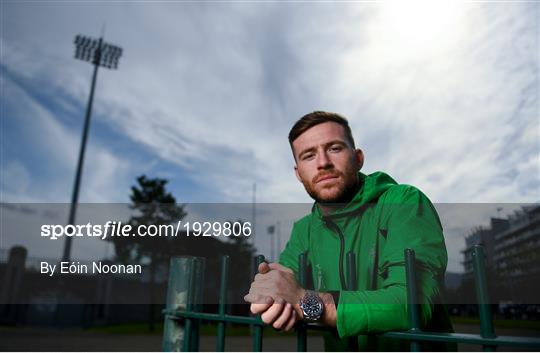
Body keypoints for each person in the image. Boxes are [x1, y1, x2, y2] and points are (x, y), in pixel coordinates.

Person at [244, 111, 453, 350]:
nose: (323, 162)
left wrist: (306, 302)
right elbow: (284, 289)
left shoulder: (404, 202)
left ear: (358, 158)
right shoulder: (304, 230)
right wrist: (271, 296)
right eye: (308, 155)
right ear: (298, 173)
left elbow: (412, 303)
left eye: (334, 148)